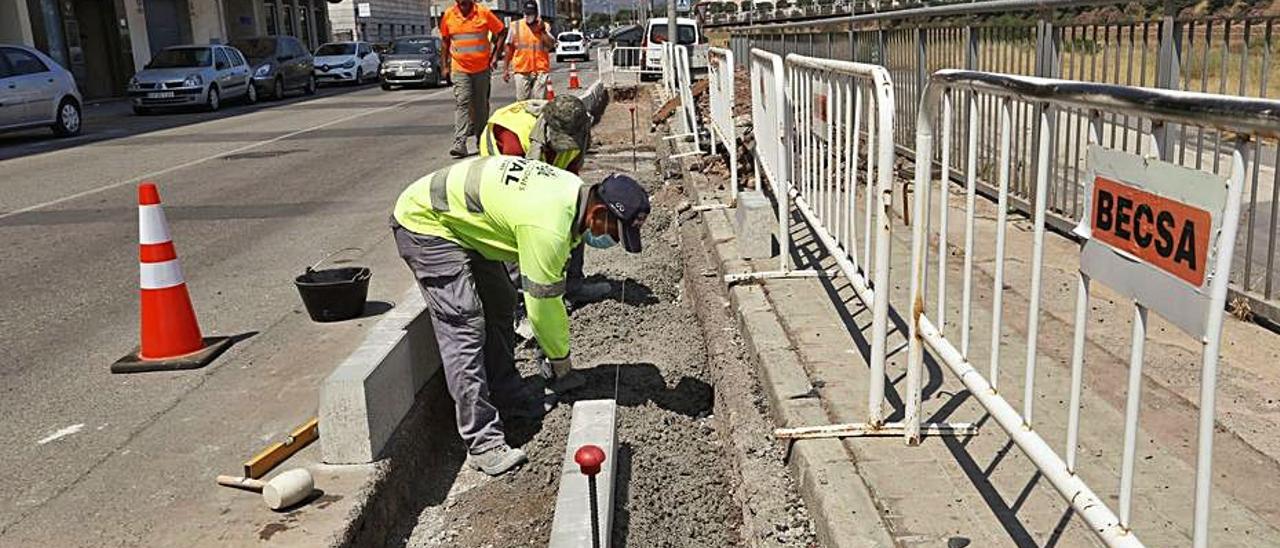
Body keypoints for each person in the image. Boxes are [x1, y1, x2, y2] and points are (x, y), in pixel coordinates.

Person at [391, 155, 650, 476]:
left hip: (464, 220)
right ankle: (482, 440)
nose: (610, 241)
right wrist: (561, 365)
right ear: (597, 213)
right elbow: (543, 307)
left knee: (500, 299)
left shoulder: (573, 192)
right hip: (427, 223)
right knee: (465, 325)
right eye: (614, 233)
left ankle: (507, 393)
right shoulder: (549, 226)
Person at [479, 95, 611, 302]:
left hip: (542, 169)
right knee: (517, 228)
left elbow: (570, 181)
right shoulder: (513, 138)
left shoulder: (578, 129)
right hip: (505, 179)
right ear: (547, 128)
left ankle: (573, 285)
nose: (567, 147)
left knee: (575, 211)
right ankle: (517, 298)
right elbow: (514, 196)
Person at [440, 0, 506, 158]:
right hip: (460, 68)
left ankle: (481, 141)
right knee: (462, 102)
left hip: (481, 68)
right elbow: (445, 41)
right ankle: (460, 142)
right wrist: (445, 65)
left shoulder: (483, 13)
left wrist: (495, 56)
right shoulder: (449, 15)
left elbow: (502, 31)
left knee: (480, 106)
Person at [503, 0, 556, 101]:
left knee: (539, 102)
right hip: (521, 70)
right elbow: (508, 47)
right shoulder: (515, 26)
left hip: (540, 70)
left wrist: (542, 30)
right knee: (522, 102)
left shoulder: (545, 26)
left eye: (531, 14)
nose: (528, 16)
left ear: (536, 14)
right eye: (526, 13)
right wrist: (505, 69)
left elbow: (550, 45)